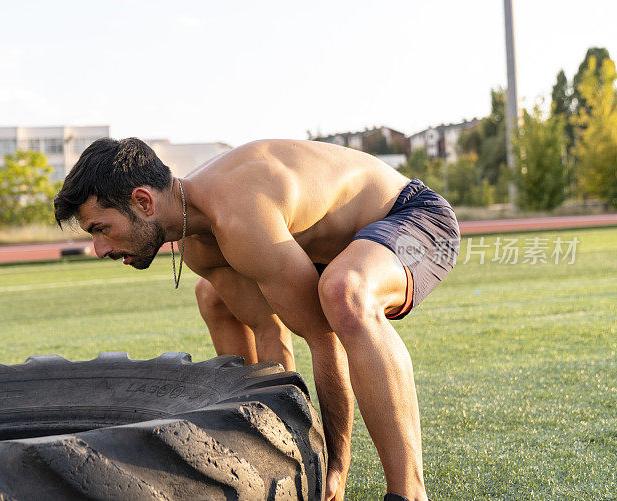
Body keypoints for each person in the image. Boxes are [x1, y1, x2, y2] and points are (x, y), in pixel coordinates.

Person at [54, 137, 459, 501]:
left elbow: (322, 338)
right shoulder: (196, 243)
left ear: (143, 201)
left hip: (416, 219)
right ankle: (270, 452)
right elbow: (271, 329)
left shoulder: (238, 211)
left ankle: (408, 492)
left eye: (101, 229)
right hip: (336, 249)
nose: (98, 248)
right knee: (212, 297)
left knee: (344, 292)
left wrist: (334, 468)